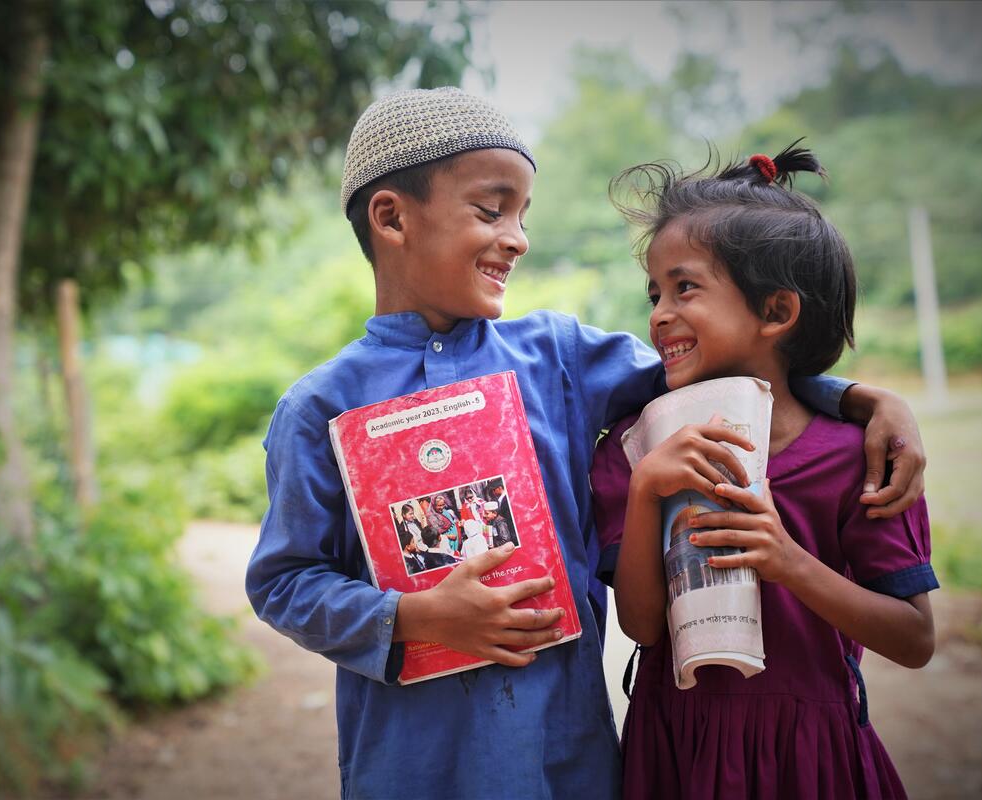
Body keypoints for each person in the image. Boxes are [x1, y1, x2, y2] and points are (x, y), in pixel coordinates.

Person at [245, 87, 925, 800]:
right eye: (491, 209)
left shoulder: (559, 356)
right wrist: (413, 618)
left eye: (522, 214)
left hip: (565, 760)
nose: (518, 237)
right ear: (391, 218)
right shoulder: (318, 408)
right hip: (415, 767)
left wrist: (863, 399)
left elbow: (720, 366)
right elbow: (285, 582)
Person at [591, 143, 938, 799]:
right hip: (677, 750)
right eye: (655, 291)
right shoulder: (635, 453)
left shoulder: (857, 457)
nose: (660, 313)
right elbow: (640, 627)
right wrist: (644, 491)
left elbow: (915, 639)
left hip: (808, 761)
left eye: (685, 286)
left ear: (776, 312)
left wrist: (789, 562)